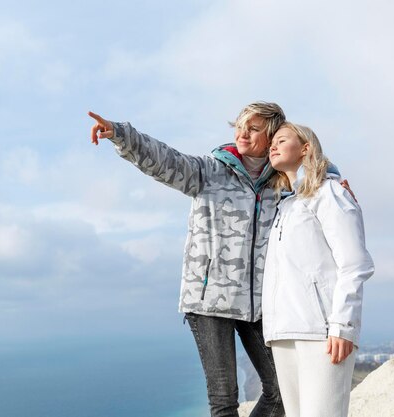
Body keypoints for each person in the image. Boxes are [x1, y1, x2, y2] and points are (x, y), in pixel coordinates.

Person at [88, 102, 286, 417]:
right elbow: (166, 160)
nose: (242, 134)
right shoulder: (209, 171)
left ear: (272, 135)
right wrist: (120, 134)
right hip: (209, 302)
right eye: (239, 126)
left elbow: (315, 181)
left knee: (281, 392)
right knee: (225, 404)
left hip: (258, 304)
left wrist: (337, 184)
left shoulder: (281, 185)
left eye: (253, 128)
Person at [261, 122, 375, 417]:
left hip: (322, 332)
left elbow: (354, 263)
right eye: (271, 142)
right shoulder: (286, 206)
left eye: (282, 140)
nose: (273, 145)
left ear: (306, 148)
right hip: (284, 330)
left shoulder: (330, 192)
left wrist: (343, 326)